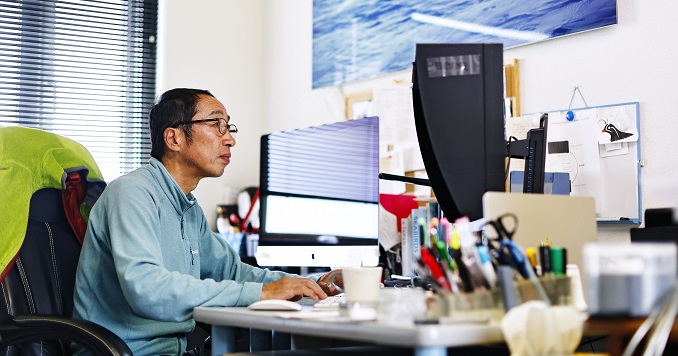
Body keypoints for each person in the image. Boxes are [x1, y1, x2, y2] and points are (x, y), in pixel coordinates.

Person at [72, 88, 342, 355]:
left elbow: (233, 271)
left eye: (229, 127)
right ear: (174, 138)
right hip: (121, 352)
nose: (230, 140)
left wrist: (312, 284)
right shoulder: (132, 192)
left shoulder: (187, 207)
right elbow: (147, 290)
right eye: (217, 125)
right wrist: (262, 294)